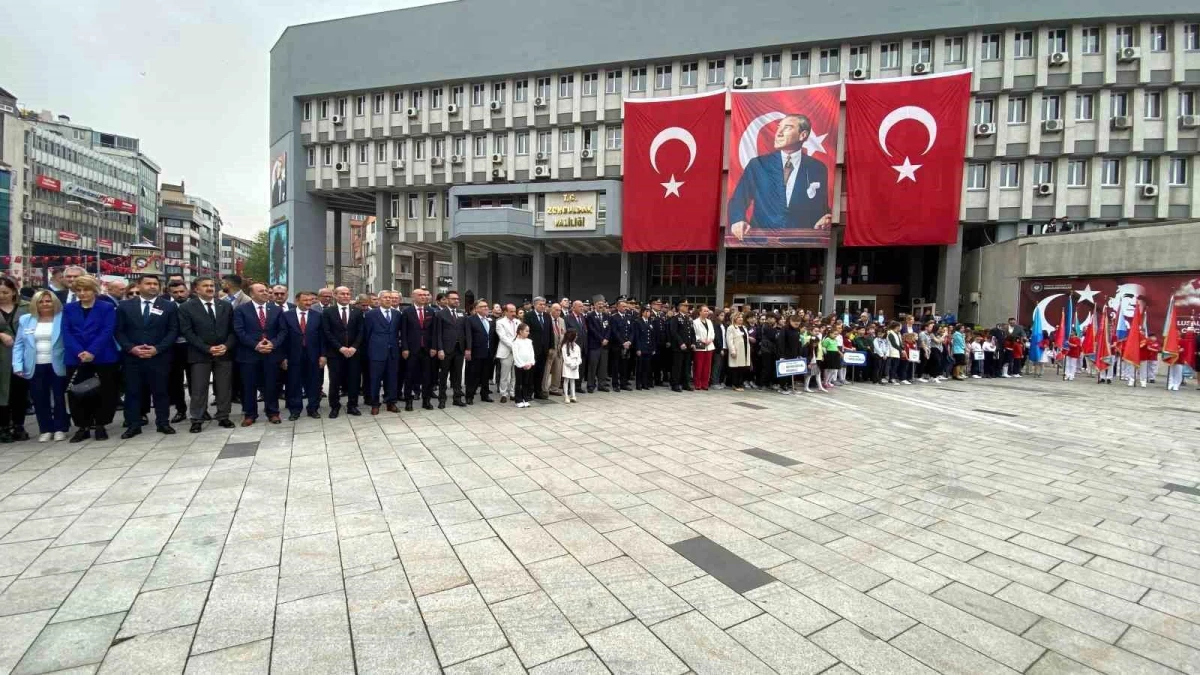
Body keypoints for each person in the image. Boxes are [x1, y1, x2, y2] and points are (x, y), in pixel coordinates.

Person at [727, 114, 831, 242]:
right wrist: (737, 220)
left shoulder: (817, 168)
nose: (778, 133)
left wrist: (825, 218)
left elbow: (821, 207)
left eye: (787, 128)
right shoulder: (758, 165)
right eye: (778, 128)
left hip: (801, 245)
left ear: (803, 135)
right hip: (761, 244)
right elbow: (738, 199)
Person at [115, 275, 179, 438]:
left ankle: (163, 423)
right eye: (148, 283)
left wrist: (157, 349)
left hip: (159, 357)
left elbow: (173, 331)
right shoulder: (125, 306)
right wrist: (131, 348)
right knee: (133, 391)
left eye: (155, 284)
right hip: (133, 357)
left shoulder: (169, 306)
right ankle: (133, 424)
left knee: (161, 391)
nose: (152, 286)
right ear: (139, 285)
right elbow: (119, 331)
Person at [62, 275, 120, 442]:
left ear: (94, 290)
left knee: (104, 392)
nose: (82, 293)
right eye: (78, 290)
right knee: (77, 393)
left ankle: (101, 424)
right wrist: (80, 351)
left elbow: (107, 331)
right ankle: (83, 426)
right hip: (76, 357)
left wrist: (92, 351)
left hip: (102, 356)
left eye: (86, 289)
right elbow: (66, 332)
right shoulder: (69, 308)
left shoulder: (107, 308)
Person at [178, 276, 237, 433]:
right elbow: (187, 332)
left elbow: (233, 330)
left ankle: (223, 416)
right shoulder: (186, 307)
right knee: (199, 388)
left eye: (212, 285)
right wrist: (207, 348)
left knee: (224, 387)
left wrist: (226, 346)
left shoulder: (225, 306)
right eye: (205, 286)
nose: (210, 288)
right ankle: (197, 418)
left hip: (224, 354)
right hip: (199, 354)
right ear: (196, 289)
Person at [14, 290, 68, 441]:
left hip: (57, 363)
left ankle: (60, 428)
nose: (45, 304)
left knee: (59, 397)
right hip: (34, 364)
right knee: (39, 398)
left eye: (48, 301)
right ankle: (45, 429)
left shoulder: (62, 318)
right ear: (35, 304)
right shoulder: (26, 319)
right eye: (41, 301)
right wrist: (17, 365)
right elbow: (19, 344)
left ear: (54, 302)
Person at [233, 282, 286, 425]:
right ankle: (250, 414)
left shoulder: (276, 310)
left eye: (266, 291)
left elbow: (282, 331)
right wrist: (255, 345)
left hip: (271, 353)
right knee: (248, 385)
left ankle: (273, 412)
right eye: (261, 291)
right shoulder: (241, 310)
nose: (265, 293)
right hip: (249, 354)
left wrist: (273, 344)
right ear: (251, 294)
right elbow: (239, 331)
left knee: (271, 384)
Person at [281, 291, 325, 420]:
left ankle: (313, 409)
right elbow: (283, 337)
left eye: (310, 300)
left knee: (314, 383)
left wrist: (323, 355)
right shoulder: (286, 316)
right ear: (296, 301)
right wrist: (283, 357)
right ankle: (295, 410)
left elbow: (322, 337)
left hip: (313, 355)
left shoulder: (317, 316)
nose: (308, 303)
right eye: (305, 300)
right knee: (294, 383)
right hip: (293, 355)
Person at [323, 286, 363, 417]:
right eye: (342, 294)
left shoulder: (357, 311)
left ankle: (352, 405)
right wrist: (340, 348)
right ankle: (334, 406)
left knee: (354, 380)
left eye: (348, 293)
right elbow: (327, 332)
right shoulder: (328, 312)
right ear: (335, 296)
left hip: (353, 353)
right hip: (335, 353)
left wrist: (354, 347)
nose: (346, 296)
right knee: (335, 380)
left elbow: (361, 331)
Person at [0, 278, 30, 442]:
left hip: (22, 355)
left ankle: (19, 425)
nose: (2, 296)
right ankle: (3, 427)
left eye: (5, 292)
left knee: (20, 391)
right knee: (2, 392)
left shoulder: (26, 307)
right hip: (1, 356)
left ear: (13, 291)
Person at [362, 290, 401, 414]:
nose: (388, 300)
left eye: (390, 298)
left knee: (392, 378)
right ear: (379, 300)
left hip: (393, 352)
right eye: (385, 297)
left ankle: (391, 402)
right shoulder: (370, 314)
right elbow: (366, 334)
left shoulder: (397, 314)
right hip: (376, 352)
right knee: (375, 379)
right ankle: (375, 404)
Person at [401, 288, 436, 411]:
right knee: (409, 376)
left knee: (427, 377)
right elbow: (403, 332)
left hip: (427, 350)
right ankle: (408, 401)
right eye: (420, 295)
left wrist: (434, 347)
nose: (423, 297)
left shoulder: (431, 311)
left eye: (424, 295)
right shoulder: (406, 312)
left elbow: (434, 332)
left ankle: (426, 401)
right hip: (411, 350)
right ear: (413, 297)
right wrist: (404, 348)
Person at [432, 289, 466, 408]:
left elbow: (464, 332)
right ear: (447, 300)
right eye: (453, 299)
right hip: (446, 350)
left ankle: (457, 398)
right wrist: (440, 349)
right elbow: (438, 333)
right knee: (443, 376)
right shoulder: (440, 314)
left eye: (457, 299)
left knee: (457, 375)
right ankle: (442, 399)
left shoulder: (462, 313)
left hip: (459, 349)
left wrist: (466, 348)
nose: (456, 301)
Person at [165, 279, 191, 423]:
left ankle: (200, 409)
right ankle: (180, 410)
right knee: (176, 381)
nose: (179, 295)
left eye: (182, 291)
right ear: (170, 293)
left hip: (192, 347)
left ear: (187, 291)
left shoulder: (194, 305)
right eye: (175, 292)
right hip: (173, 348)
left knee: (195, 380)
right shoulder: (167, 307)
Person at [464, 300, 495, 404]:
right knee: (473, 375)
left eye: (486, 306)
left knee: (485, 375)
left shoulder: (489, 320)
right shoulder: (470, 319)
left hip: (488, 352)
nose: (486, 308)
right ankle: (469, 396)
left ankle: (485, 395)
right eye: (483, 306)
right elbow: (468, 336)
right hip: (476, 352)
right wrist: (468, 349)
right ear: (476, 309)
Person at [523, 296, 552, 400]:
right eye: (540, 304)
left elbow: (550, 332)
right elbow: (526, 333)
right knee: (531, 372)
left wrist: (551, 347)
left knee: (541, 372)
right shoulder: (528, 315)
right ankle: (528, 393)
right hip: (533, 349)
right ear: (534, 305)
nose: (543, 306)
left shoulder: (547, 316)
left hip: (544, 349)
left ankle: (538, 392)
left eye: (544, 304)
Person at [668, 300, 695, 392]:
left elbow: (692, 332)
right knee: (677, 366)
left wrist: (693, 342)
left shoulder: (688, 318)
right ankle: (675, 384)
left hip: (687, 346)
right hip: (678, 347)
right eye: (685, 305)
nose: (687, 307)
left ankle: (685, 383)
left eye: (688, 305)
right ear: (679, 307)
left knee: (686, 366)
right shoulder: (675, 318)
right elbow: (673, 332)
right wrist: (681, 343)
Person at [585, 298, 610, 393]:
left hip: (604, 346)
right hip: (594, 345)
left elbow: (609, 329)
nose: (601, 306)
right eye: (599, 304)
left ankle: (602, 384)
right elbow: (592, 329)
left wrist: (606, 338)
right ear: (595, 305)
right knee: (593, 366)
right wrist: (601, 339)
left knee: (603, 366)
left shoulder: (606, 315)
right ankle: (591, 385)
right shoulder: (590, 316)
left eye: (602, 304)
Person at [607, 299, 633, 392]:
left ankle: (623, 383)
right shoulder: (614, 317)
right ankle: (615, 384)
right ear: (618, 307)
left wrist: (629, 341)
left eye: (626, 306)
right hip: (617, 345)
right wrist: (623, 342)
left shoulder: (628, 317)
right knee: (616, 365)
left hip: (627, 345)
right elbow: (615, 332)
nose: (625, 308)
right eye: (623, 306)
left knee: (625, 365)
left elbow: (631, 331)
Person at [564, 300, 588, 395]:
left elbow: (585, 331)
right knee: (571, 366)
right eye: (579, 306)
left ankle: (578, 385)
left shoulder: (582, 317)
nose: (582, 308)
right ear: (573, 308)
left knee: (581, 367)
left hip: (582, 345)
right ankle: (569, 387)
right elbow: (567, 332)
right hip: (572, 345)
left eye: (582, 306)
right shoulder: (567, 318)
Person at [691, 305, 716, 391]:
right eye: (705, 311)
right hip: (700, 346)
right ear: (700, 312)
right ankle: (697, 383)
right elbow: (694, 334)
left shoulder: (709, 321)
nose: (706, 312)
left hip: (709, 346)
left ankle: (705, 383)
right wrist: (701, 340)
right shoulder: (695, 322)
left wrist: (710, 340)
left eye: (707, 311)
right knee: (698, 366)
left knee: (707, 366)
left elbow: (712, 333)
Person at [543, 303, 565, 396]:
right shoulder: (547, 319)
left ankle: (554, 388)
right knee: (547, 370)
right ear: (551, 310)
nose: (558, 312)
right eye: (556, 310)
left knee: (558, 369)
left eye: (560, 310)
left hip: (559, 348)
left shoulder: (561, 320)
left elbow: (563, 333)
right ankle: (544, 389)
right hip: (550, 349)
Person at [511, 322, 535, 408]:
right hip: (520, 366)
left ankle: (525, 398)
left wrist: (531, 363)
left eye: (528, 331)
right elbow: (516, 355)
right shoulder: (515, 342)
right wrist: (522, 364)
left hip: (528, 365)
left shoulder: (529, 341)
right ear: (520, 331)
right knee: (519, 383)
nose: (528, 333)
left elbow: (531, 353)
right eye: (526, 331)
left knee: (526, 383)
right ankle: (518, 400)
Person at [726, 313, 751, 392]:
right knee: (735, 368)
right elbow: (729, 341)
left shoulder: (744, 327)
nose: (741, 319)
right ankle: (735, 384)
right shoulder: (731, 328)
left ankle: (740, 383)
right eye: (738, 317)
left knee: (742, 367)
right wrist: (732, 351)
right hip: (737, 350)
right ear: (734, 318)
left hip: (744, 350)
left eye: (741, 317)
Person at [632, 306, 656, 390]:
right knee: (640, 367)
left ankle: (645, 383)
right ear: (642, 312)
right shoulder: (638, 322)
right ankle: (638, 384)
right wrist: (638, 348)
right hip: (641, 348)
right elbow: (637, 337)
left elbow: (653, 336)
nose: (648, 313)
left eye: (649, 311)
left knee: (647, 367)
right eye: (646, 311)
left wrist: (653, 348)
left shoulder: (650, 322)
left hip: (649, 348)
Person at [560, 328, 582, 403]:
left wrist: (576, 364)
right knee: (566, 380)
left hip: (575, 366)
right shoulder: (565, 346)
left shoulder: (577, 346)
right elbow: (566, 358)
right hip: (568, 366)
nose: (577, 337)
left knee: (573, 380)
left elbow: (579, 358)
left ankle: (573, 395)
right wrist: (571, 364)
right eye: (575, 335)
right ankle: (566, 395)